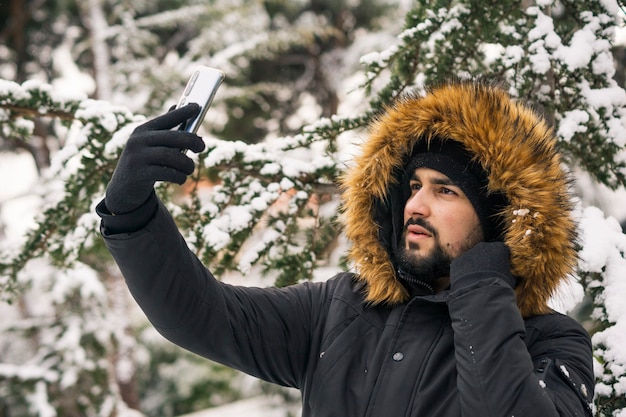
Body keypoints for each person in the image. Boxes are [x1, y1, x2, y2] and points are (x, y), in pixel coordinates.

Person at [96, 78, 595, 417]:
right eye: (413, 186)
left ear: (501, 218)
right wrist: (133, 215)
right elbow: (202, 315)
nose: (416, 204)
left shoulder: (551, 344)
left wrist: (485, 276)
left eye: (445, 190)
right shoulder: (340, 310)